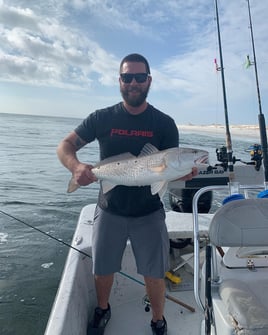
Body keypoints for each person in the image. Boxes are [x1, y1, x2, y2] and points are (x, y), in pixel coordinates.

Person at [57, 53, 197, 335]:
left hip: (149, 212)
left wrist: (183, 172)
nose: (133, 82)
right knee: (102, 269)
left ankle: (158, 320)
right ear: (119, 80)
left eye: (139, 77)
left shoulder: (164, 123)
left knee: (155, 272)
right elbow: (66, 145)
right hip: (110, 208)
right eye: (127, 77)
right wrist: (76, 167)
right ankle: (103, 308)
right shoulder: (102, 117)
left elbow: (165, 171)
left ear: (149, 80)